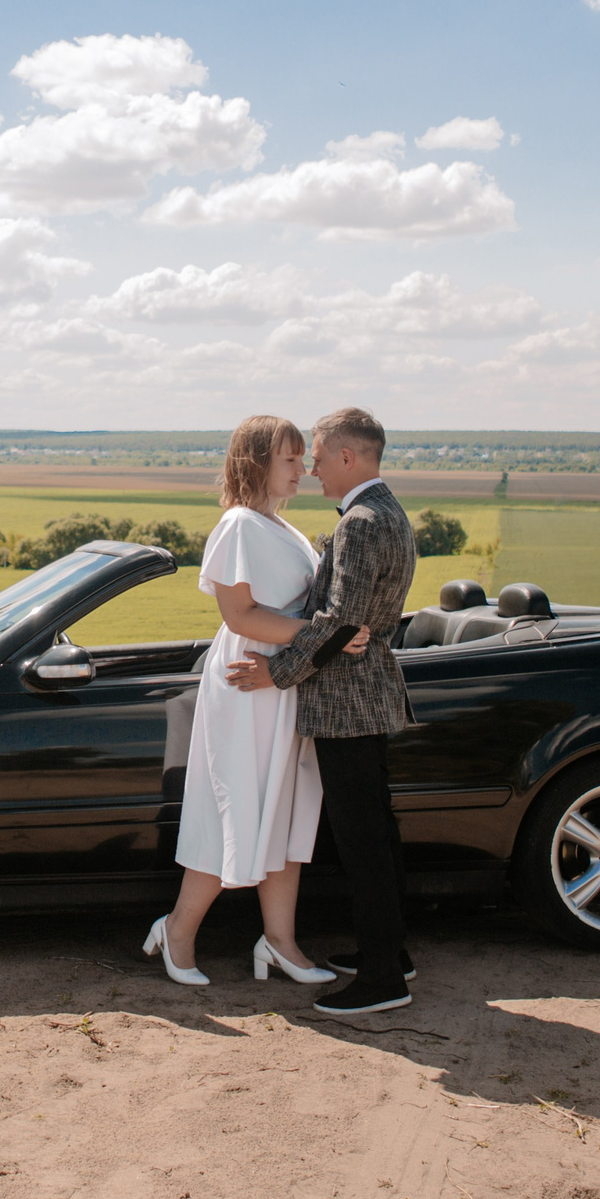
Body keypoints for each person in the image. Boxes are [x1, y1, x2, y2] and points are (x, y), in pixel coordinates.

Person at [143, 415, 369, 988]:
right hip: (249, 680)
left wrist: (316, 640)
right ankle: (177, 931)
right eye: (290, 460)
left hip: (283, 682)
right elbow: (239, 616)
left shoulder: (281, 527)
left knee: (287, 814)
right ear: (257, 464)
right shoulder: (239, 525)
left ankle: (281, 943)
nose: (303, 469)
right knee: (235, 808)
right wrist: (326, 635)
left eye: (302, 459)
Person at [225, 406, 420, 1016]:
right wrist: (340, 631)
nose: (309, 469)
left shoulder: (361, 522)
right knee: (376, 835)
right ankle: (391, 952)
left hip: (346, 701)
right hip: (366, 693)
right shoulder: (387, 510)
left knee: (363, 841)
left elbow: (339, 625)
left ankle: (384, 978)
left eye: (314, 455)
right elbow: (345, 624)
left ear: (347, 457)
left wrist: (274, 673)